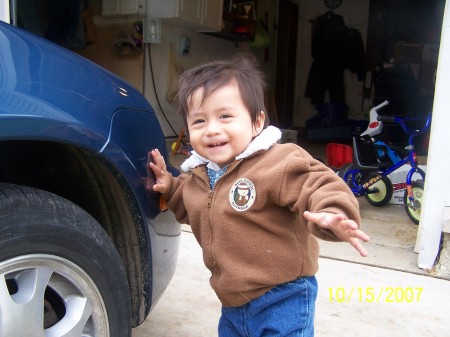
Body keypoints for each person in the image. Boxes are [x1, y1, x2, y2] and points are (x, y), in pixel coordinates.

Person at [148, 53, 369, 336]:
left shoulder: (277, 162)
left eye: (225, 116)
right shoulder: (200, 176)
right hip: (232, 304)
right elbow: (192, 204)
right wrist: (170, 186)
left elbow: (316, 182)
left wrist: (332, 211)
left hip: (283, 296)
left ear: (256, 122)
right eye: (199, 121)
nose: (212, 129)